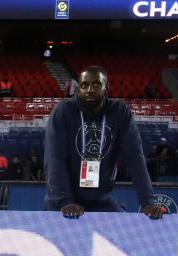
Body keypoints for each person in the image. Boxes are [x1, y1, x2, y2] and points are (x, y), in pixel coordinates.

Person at [43, 66, 164, 218]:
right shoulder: (64, 111)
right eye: (84, 85)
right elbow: (54, 159)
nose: (90, 90)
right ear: (78, 88)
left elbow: (135, 159)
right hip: (63, 203)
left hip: (101, 201)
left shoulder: (120, 112)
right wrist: (65, 201)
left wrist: (148, 202)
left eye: (96, 84)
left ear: (106, 87)